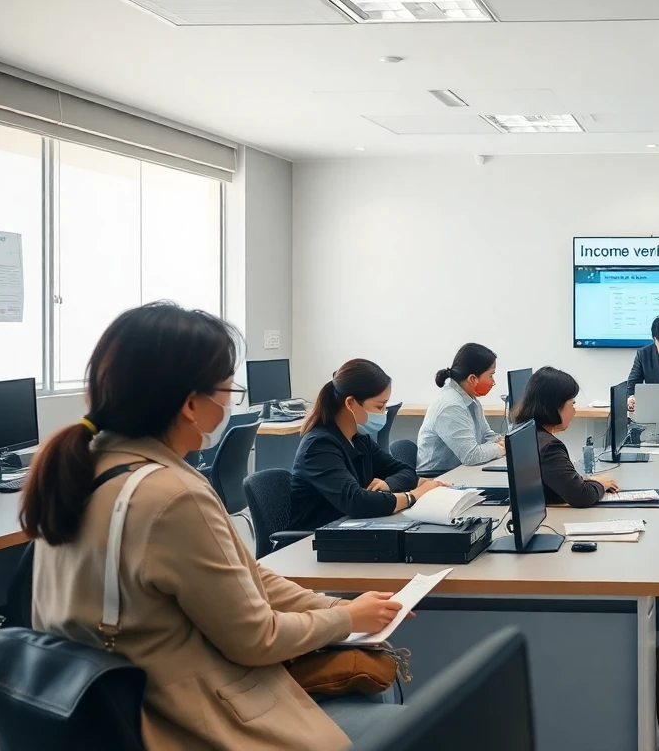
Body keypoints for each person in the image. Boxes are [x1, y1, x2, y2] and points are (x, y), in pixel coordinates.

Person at [21, 302, 405, 750]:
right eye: (227, 389)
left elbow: (244, 574)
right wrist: (342, 619)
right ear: (190, 404)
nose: (229, 402)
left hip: (112, 711)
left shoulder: (81, 470)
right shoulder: (172, 495)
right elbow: (257, 640)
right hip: (179, 723)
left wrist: (335, 607)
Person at [289, 358, 448, 532]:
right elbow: (356, 502)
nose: (383, 413)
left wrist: (389, 485)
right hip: (314, 541)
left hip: (354, 530)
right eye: (379, 406)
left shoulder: (359, 439)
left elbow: (408, 473)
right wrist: (413, 496)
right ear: (350, 403)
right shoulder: (319, 446)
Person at [510, 366, 618, 507]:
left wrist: (588, 480)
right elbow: (581, 496)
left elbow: (561, 480)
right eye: (572, 403)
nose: (574, 410)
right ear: (554, 406)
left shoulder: (528, 434)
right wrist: (601, 484)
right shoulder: (549, 447)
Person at [416, 343, 504, 474]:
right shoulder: (451, 406)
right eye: (491, 375)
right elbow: (471, 455)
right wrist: (500, 448)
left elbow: (486, 435)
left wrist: (503, 442)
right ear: (472, 379)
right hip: (438, 477)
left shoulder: (470, 398)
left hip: (459, 471)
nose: (493, 381)